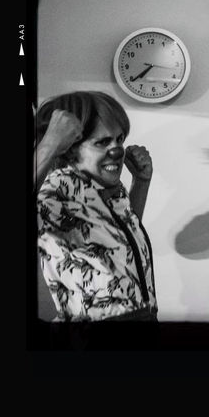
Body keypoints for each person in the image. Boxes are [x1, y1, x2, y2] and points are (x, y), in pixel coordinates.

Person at [35, 91, 157, 321]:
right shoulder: (54, 191)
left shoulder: (106, 189)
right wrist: (50, 144)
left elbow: (120, 245)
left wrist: (141, 183)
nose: (118, 150)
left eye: (119, 139)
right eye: (102, 142)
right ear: (69, 147)